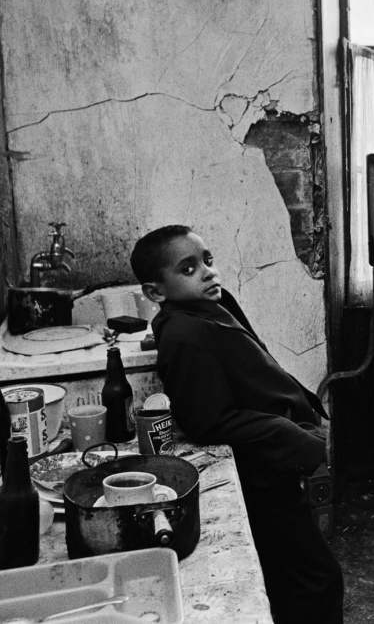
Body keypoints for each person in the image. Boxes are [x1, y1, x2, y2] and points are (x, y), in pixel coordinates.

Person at [130, 225, 343, 623]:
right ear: (156, 292)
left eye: (207, 261)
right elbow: (205, 421)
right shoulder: (183, 334)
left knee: (291, 577)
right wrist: (291, 435)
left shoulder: (209, 306)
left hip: (275, 460)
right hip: (260, 471)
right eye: (189, 269)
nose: (209, 272)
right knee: (317, 579)